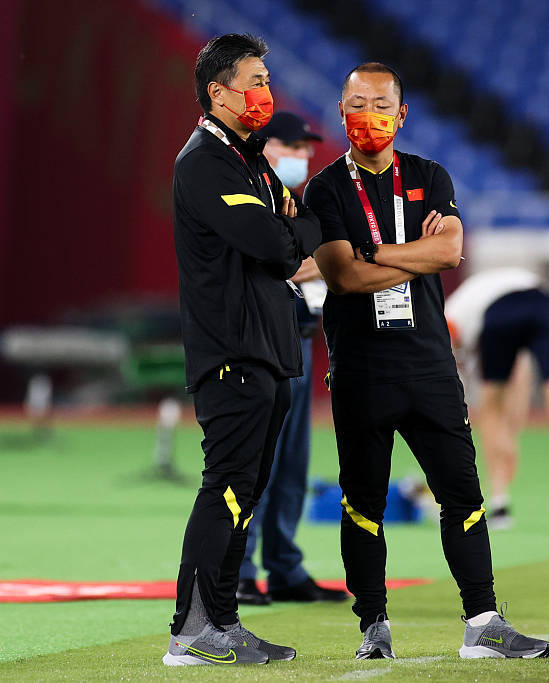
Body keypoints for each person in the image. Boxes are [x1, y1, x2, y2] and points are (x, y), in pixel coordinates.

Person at [304, 62, 549, 661]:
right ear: (340, 111)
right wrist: (413, 252)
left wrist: (373, 252)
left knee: (463, 494)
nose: (369, 116)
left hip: (430, 367)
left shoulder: (428, 175)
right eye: (357, 104)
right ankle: (373, 628)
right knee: (363, 504)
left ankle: (483, 623)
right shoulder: (325, 189)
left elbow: (450, 250)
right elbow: (342, 276)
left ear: (402, 113)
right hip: (361, 369)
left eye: (381, 104)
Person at [163, 34, 321, 667]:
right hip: (232, 351)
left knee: (246, 493)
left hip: (268, 348)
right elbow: (277, 246)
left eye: (266, 81)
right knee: (227, 487)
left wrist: (291, 225)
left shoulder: (248, 158)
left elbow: (297, 224)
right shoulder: (205, 161)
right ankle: (191, 631)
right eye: (255, 82)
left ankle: (222, 623)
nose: (265, 93)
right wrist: (293, 228)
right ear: (217, 92)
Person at [236, 112, 347, 606]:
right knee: (260, 458)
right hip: (263, 339)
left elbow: (309, 262)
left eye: (306, 148)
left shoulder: (293, 202)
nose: (302, 156)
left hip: (300, 337)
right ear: (266, 146)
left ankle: (283, 566)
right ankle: (240, 569)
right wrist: (322, 261)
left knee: (292, 463)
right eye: (293, 146)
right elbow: (282, 262)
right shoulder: (252, 195)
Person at [445, 268, 549, 530]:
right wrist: (511, 437)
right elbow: (520, 376)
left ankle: (499, 502)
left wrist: (505, 439)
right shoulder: (481, 296)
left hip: (498, 311)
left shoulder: (450, 316)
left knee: (490, 406)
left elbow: (459, 375)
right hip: (544, 303)